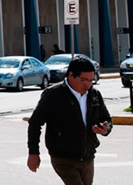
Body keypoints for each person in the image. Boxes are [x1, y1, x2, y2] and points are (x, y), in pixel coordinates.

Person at [27, 56, 113, 184]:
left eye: (91, 80)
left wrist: (105, 129)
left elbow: (107, 119)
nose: (88, 85)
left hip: (87, 156)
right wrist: (34, 153)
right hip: (63, 157)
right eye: (84, 80)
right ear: (71, 75)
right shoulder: (54, 94)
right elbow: (35, 123)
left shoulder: (94, 95)